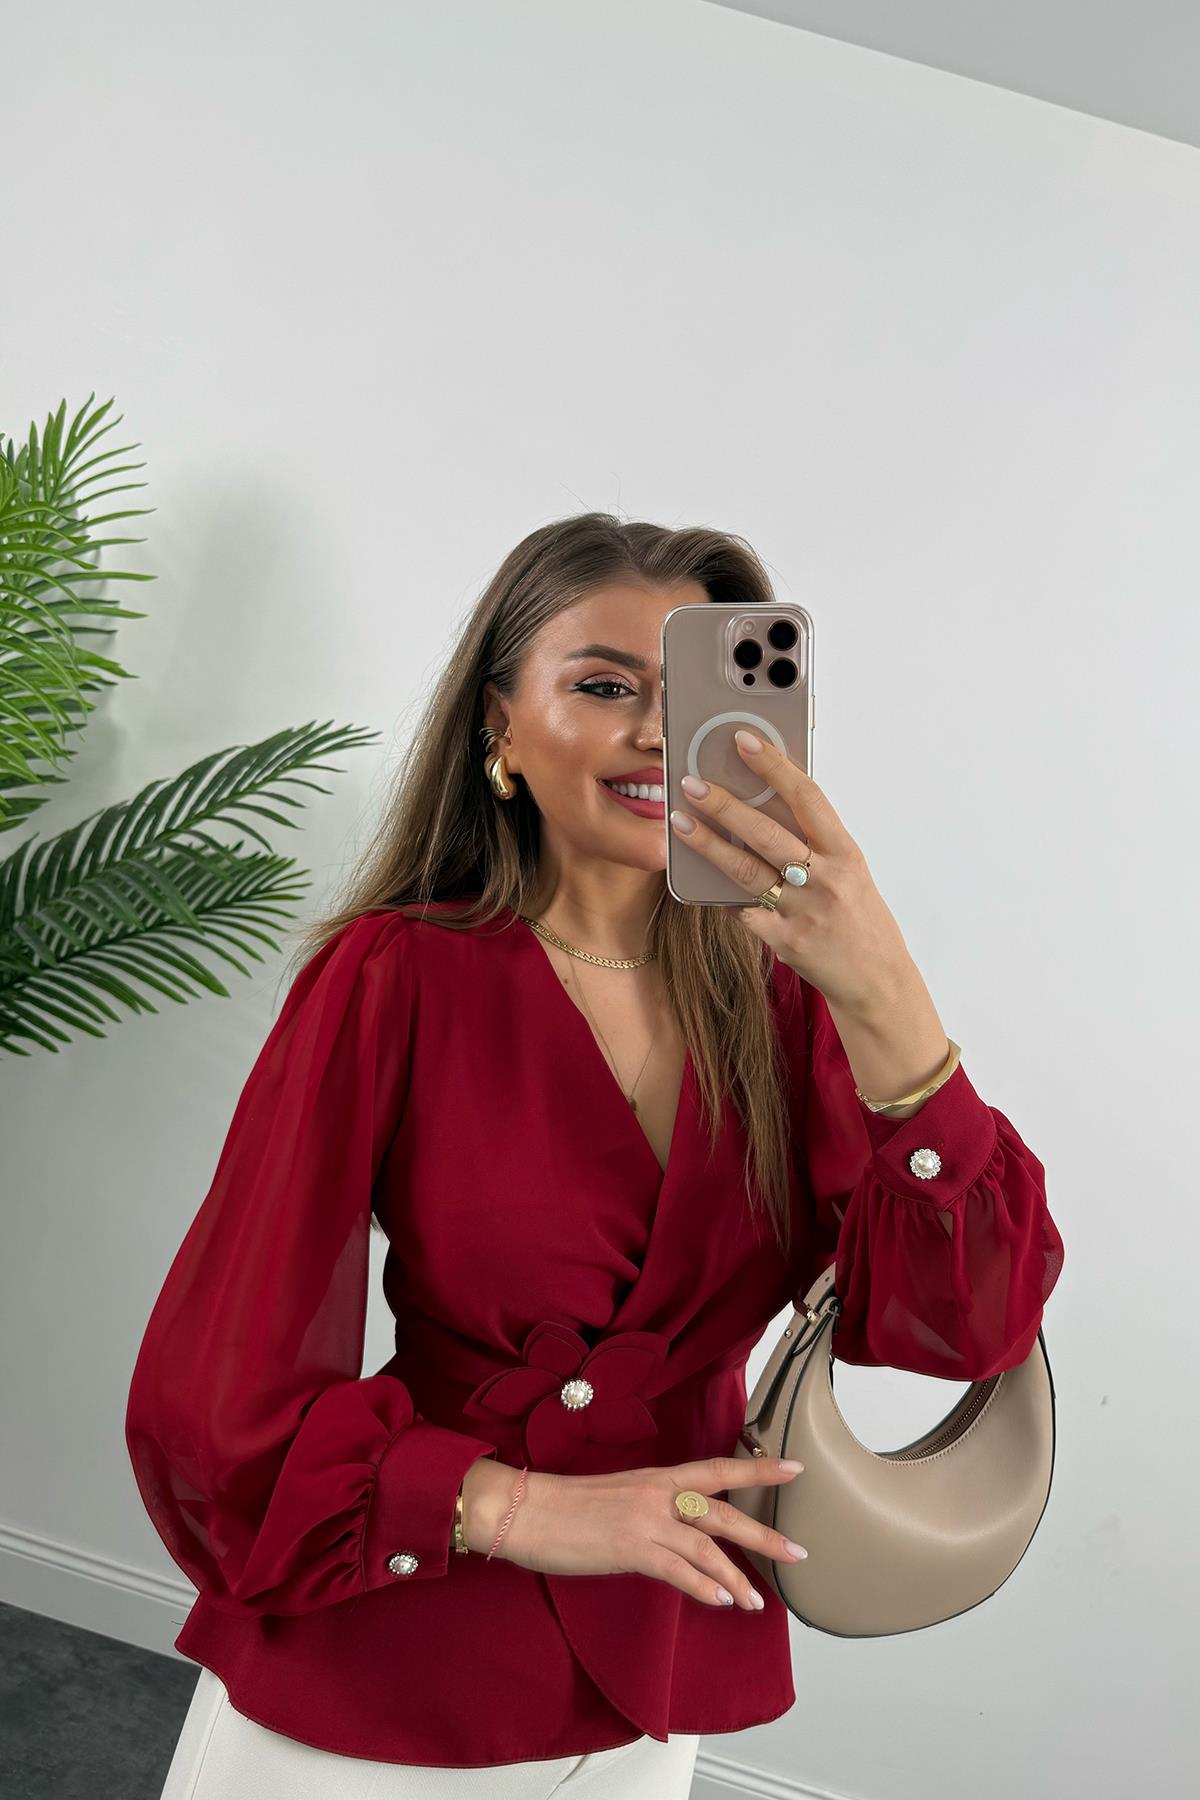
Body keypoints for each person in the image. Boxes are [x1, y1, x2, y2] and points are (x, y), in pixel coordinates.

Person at [126, 512, 1065, 1798]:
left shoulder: (793, 1011)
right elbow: (215, 1386)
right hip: (392, 1644)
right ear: (500, 726)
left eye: (696, 696)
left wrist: (884, 988)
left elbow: (967, 1328)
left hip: (657, 1663)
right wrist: (520, 1509)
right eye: (607, 686)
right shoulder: (393, 976)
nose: (659, 733)